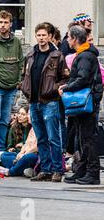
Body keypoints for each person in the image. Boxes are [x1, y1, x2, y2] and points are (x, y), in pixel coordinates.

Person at [21, 23, 69, 183]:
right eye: (38, 35)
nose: (41, 38)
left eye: (44, 35)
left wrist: (54, 89)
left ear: (49, 36)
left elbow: (64, 78)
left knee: (53, 138)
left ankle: (57, 169)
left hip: (50, 101)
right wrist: (24, 88)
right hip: (34, 102)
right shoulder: (30, 55)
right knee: (41, 138)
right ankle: (45, 169)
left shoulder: (57, 55)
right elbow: (24, 75)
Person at [60, 25, 103, 185]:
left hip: (87, 103)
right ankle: (81, 171)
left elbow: (83, 78)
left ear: (75, 39)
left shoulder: (85, 56)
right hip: (85, 103)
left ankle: (92, 174)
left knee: (87, 139)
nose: (67, 40)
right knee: (81, 139)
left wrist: (66, 87)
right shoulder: (84, 54)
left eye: (69, 37)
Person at [0, 10, 24, 152]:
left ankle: (2, 148)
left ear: (11, 24)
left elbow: (21, 62)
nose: (2, 25)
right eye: (0, 22)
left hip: (12, 87)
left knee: (5, 119)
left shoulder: (16, 42)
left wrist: (19, 80)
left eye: (6, 22)